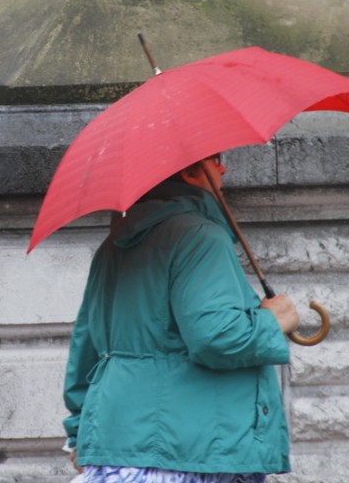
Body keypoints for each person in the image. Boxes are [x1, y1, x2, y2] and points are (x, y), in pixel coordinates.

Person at [63, 153, 300, 483]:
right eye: (216, 159)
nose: (223, 168)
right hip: (191, 450)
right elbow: (216, 337)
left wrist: (79, 434)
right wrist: (272, 322)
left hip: (116, 446)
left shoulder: (113, 247)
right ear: (191, 170)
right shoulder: (201, 238)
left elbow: (86, 348)